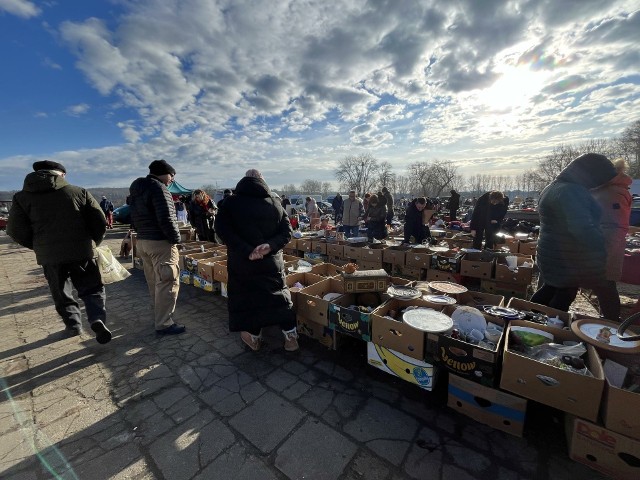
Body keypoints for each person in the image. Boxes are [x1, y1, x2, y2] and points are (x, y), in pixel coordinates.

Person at [7, 160, 112, 343]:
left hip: (50, 256)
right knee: (92, 288)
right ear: (61, 174)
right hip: (82, 251)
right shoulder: (78, 192)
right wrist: (93, 241)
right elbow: (99, 220)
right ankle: (96, 319)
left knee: (60, 291)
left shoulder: (21, 197)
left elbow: (15, 229)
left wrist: (38, 245)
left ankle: (73, 326)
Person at [214, 169, 298, 352]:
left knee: (248, 300)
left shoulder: (230, 203)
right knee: (279, 298)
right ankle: (290, 337)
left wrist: (247, 250)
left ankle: (253, 339)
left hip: (242, 263)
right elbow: (287, 232)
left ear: (243, 181)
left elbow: (222, 230)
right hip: (272, 262)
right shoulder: (275, 202)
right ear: (262, 181)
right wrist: (270, 246)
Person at [530, 153, 620, 320]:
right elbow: (581, 228)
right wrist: (601, 244)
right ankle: (545, 326)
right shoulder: (571, 191)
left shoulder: (553, 187)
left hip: (553, 252)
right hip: (568, 256)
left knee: (551, 288)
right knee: (564, 295)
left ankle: (529, 318)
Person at [129, 159, 185, 335]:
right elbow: (167, 218)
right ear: (165, 173)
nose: (172, 180)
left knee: (154, 281)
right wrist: (175, 240)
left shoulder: (137, 189)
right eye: (172, 176)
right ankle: (164, 323)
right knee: (167, 283)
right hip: (160, 243)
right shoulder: (160, 189)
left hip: (143, 241)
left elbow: (133, 216)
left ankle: (157, 314)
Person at [591, 158, 633, 319]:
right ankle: (610, 318)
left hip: (605, 244)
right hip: (606, 242)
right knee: (604, 283)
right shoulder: (611, 189)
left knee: (605, 283)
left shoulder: (612, 192)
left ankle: (611, 319)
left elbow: (612, 223)